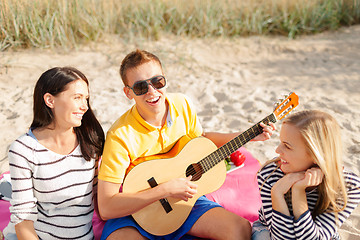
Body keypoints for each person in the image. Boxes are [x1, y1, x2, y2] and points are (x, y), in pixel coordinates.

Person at [97, 49, 275, 240]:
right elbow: (107, 207)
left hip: (184, 204)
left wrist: (246, 136)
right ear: (128, 93)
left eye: (158, 82)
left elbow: (201, 141)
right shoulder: (120, 134)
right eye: (141, 87)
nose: (152, 91)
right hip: (137, 212)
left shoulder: (182, 105)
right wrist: (164, 190)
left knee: (239, 230)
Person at [3, 67, 105, 240]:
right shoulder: (23, 149)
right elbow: (23, 219)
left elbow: (100, 202)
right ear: (50, 100)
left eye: (86, 98)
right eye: (77, 98)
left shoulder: (90, 141)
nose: (85, 106)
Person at [253, 110, 360, 240]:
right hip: (270, 232)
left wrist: (299, 190)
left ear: (316, 154)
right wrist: (277, 193)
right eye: (281, 142)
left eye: (287, 146)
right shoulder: (269, 175)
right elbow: (280, 237)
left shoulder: (348, 185)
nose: (277, 150)